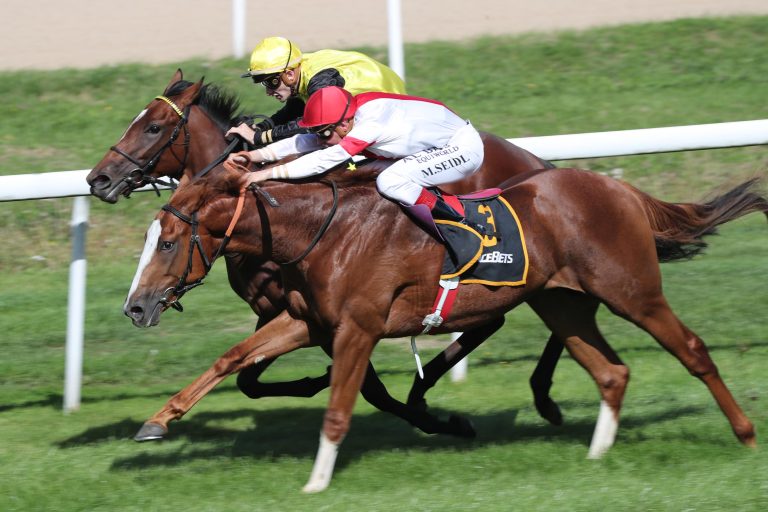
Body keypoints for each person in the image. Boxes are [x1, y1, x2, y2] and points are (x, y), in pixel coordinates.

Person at [227, 86, 484, 225]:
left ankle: (461, 219)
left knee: (391, 181)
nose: (323, 139)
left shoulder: (370, 124)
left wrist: (265, 174)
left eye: (326, 133)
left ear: (344, 124)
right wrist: (256, 155)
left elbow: (322, 159)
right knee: (355, 170)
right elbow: (307, 140)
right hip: (427, 146)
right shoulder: (347, 113)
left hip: (462, 148)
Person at [226, 36, 406, 147]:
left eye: (270, 84)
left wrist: (259, 138)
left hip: (390, 113)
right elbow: (295, 108)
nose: (268, 93)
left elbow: (312, 123)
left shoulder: (319, 80)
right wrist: (260, 127)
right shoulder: (301, 69)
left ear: (289, 74)